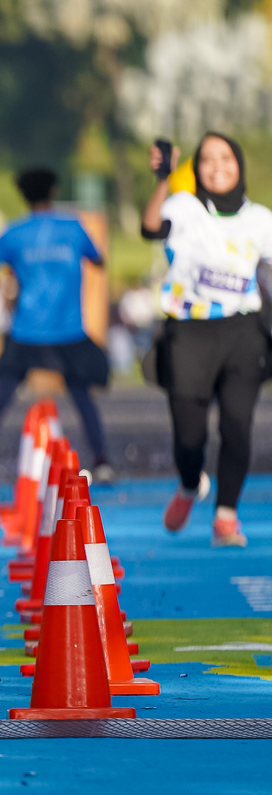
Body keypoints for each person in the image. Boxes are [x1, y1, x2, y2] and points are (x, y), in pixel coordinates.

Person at [142, 133, 272, 546]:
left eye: (226, 158)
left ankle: (226, 517)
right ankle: (188, 485)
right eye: (208, 160)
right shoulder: (183, 207)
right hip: (189, 331)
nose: (218, 167)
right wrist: (163, 180)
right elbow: (150, 228)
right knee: (189, 438)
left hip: (243, 331)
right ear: (196, 168)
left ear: (239, 164)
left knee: (237, 425)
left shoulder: (261, 220)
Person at [0, 167, 112, 484]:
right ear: (53, 192)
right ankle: (102, 462)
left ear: (23, 196)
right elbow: (98, 261)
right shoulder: (73, 227)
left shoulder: (14, 233)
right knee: (82, 397)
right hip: (68, 329)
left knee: (3, 395)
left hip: (27, 329)